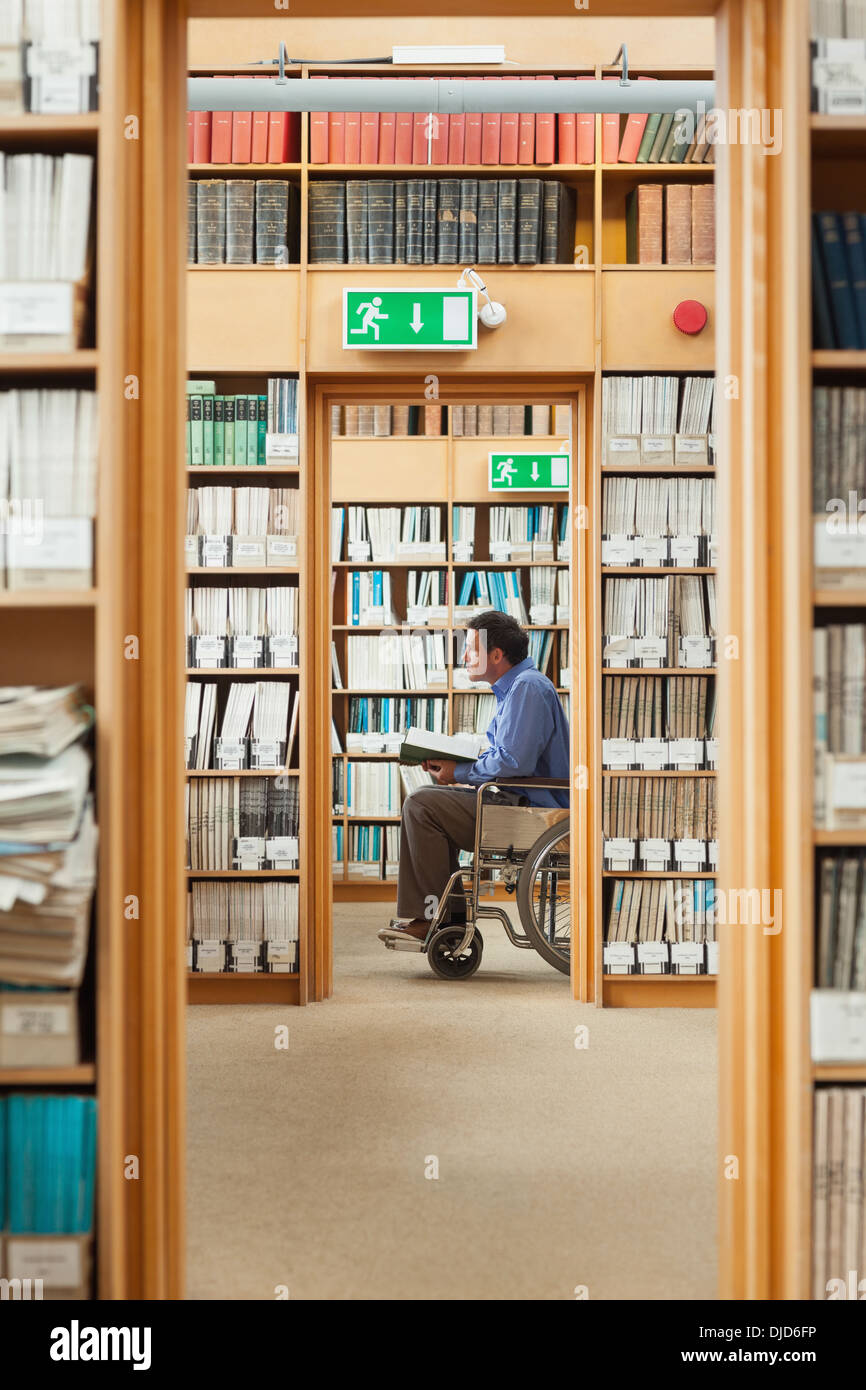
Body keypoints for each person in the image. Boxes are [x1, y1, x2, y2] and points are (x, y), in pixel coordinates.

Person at [378, 609, 570, 944]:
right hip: (514, 801)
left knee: (422, 806)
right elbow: (511, 758)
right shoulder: (518, 688)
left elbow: (513, 762)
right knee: (426, 805)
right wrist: (458, 767)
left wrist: (459, 772)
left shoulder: (527, 688)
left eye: (471, 649)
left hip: (531, 812)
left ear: (497, 655)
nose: (464, 656)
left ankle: (435, 919)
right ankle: (443, 918)